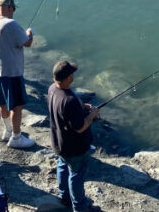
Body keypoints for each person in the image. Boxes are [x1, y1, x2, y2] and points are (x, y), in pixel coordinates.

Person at [0, 0, 35, 149]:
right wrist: (30, 33)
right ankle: (16, 138)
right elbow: (27, 43)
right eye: (14, 9)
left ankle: (8, 131)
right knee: (16, 106)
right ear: (10, 8)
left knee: (2, 103)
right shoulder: (11, 24)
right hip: (11, 72)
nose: (14, 12)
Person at [47, 60, 101, 211]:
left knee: (63, 166)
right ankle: (79, 206)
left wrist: (82, 107)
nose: (73, 75)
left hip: (59, 143)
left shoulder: (52, 89)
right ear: (67, 78)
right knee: (76, 175)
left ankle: (64, 197)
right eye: (71, 73)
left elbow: (62, 110)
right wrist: (92, 114)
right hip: (75, 148)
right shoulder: (69, 99)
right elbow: (80, 127)